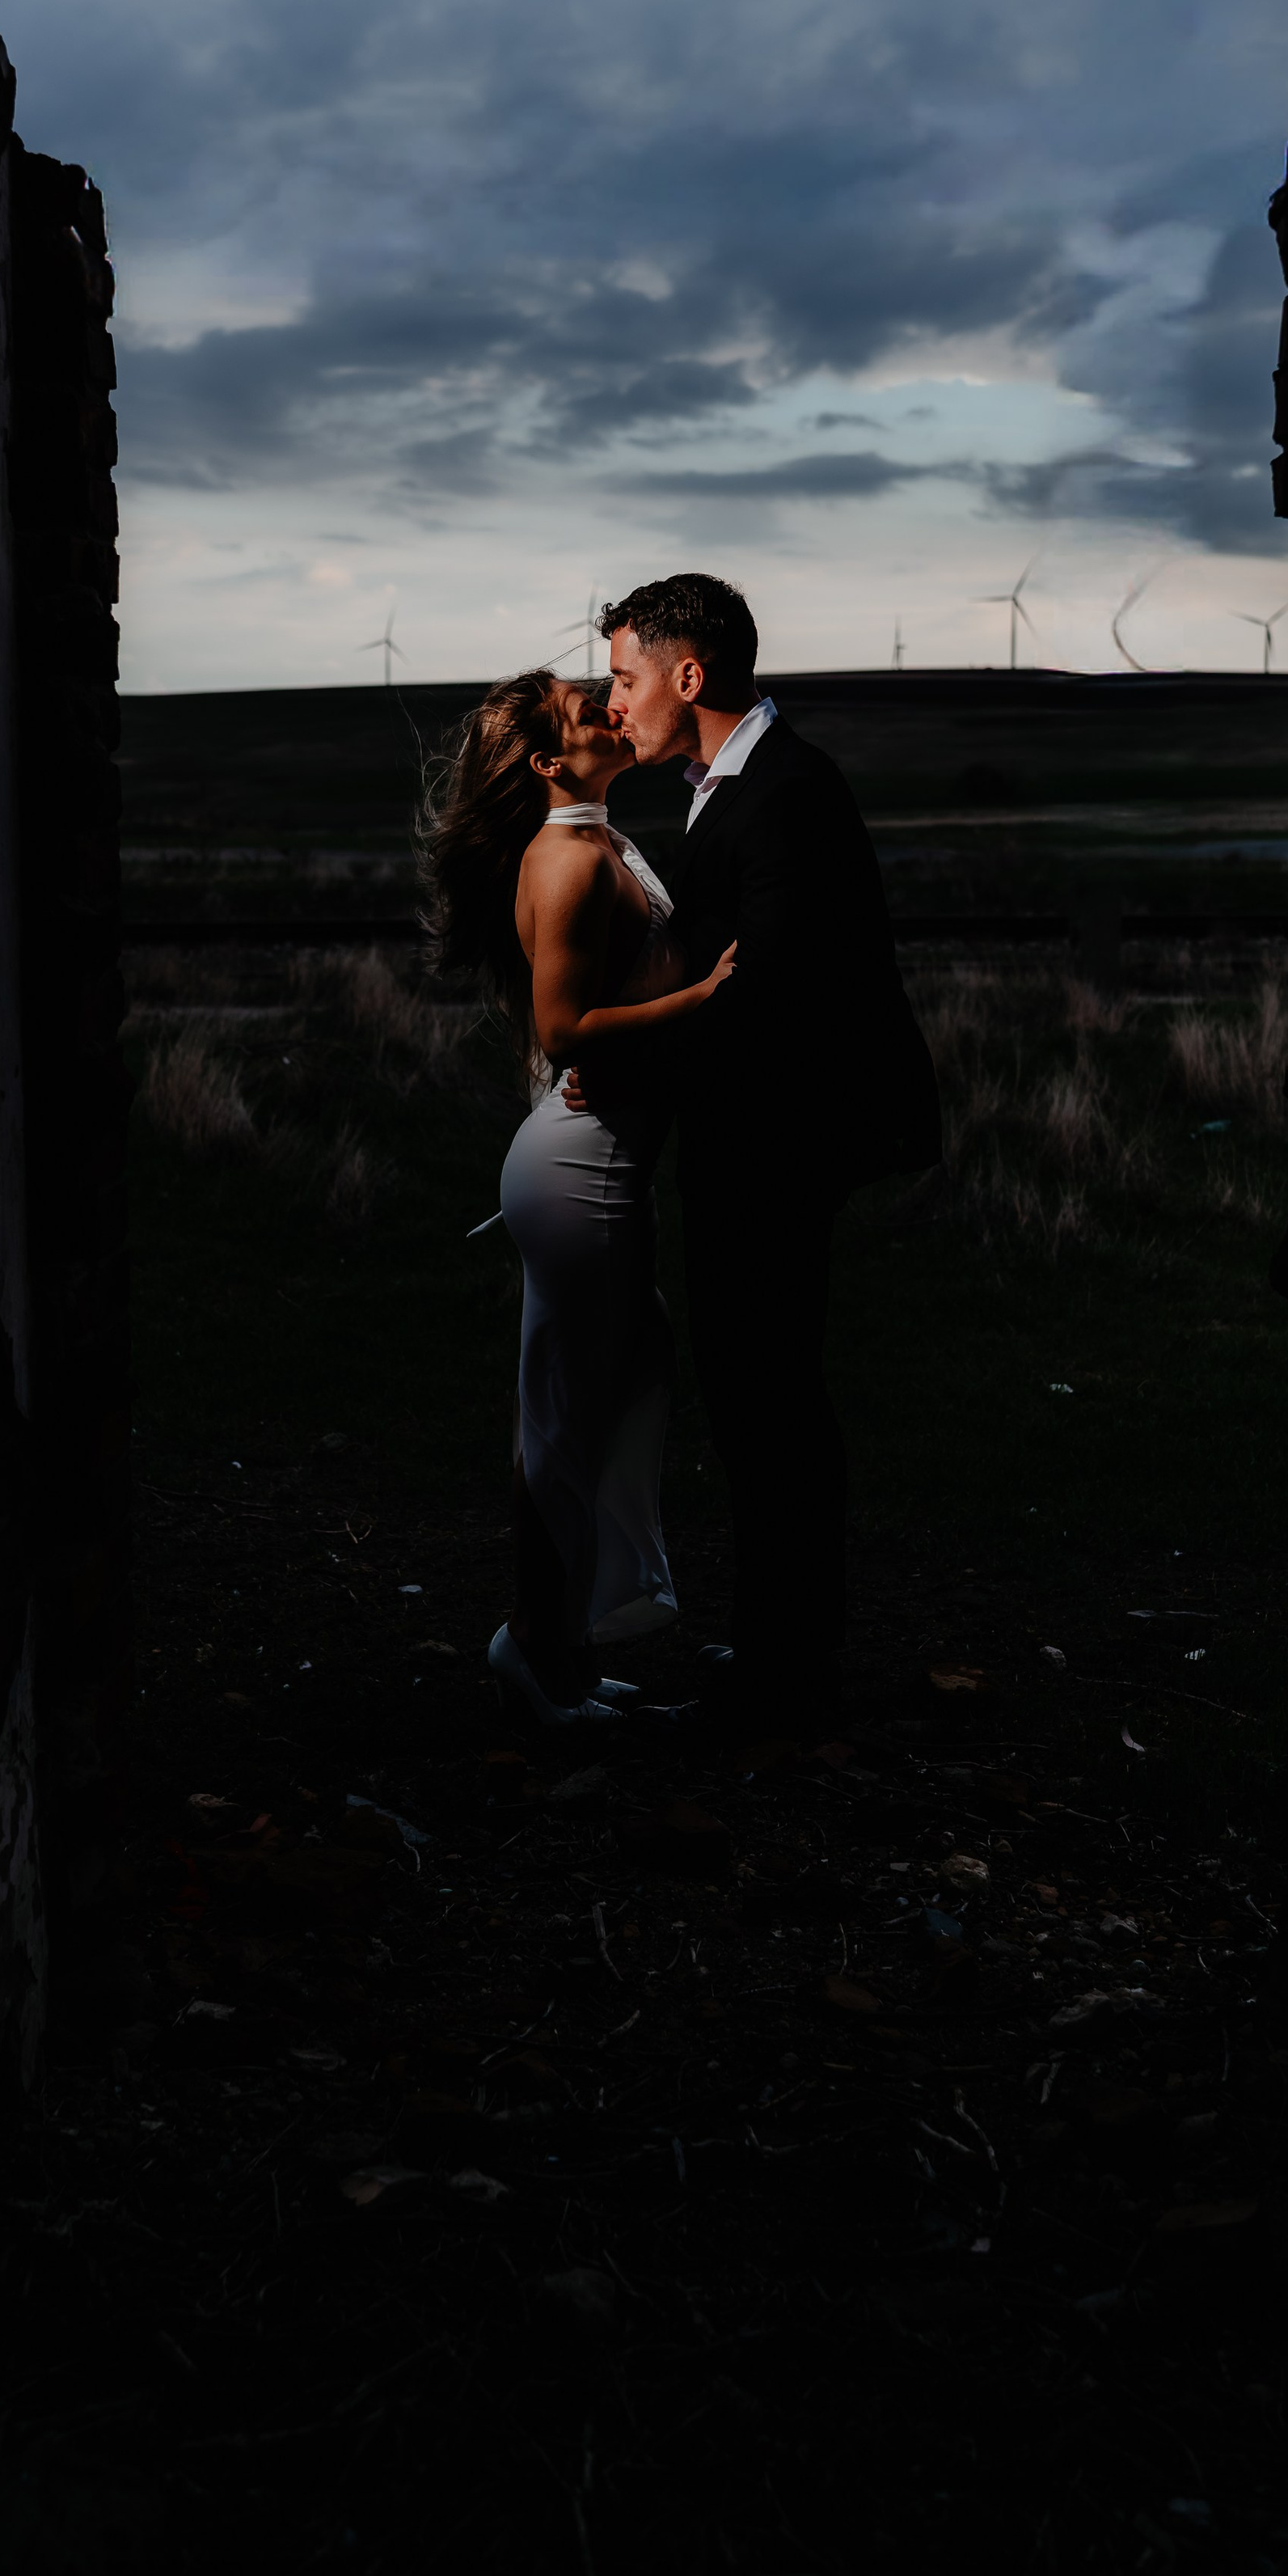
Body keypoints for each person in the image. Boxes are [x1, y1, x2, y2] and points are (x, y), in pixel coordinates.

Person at [587, 572, 942, 1736]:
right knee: (753, 1391)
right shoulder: (730, 785)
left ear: (688, 676)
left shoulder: (785, 791)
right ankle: (781, 1646)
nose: (611, 701)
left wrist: (628, 1064)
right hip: (749, 1133)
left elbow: (770, 991)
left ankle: (789, 1672)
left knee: (768, 1394)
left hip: (778, 1141)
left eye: (626, 677)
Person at [424, 670, 736, 1728]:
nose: (609, 698)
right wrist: (704, 998)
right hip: (580, 1168)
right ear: (551, 762)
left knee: (605, 1398)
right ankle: (538, 1654)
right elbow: (562, 1029)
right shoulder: (563, 859)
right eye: (580, 704)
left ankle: (566, 1643)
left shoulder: (600, 839)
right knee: (566, 1423)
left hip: (598, 1159)